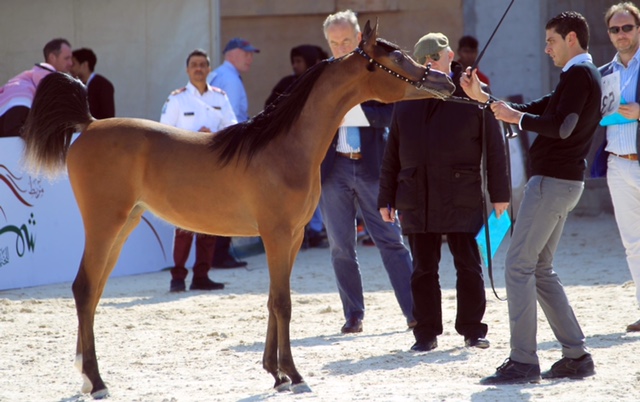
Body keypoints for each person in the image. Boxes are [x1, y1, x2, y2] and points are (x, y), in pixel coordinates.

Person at [460, 11, 601, 384]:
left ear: (571, 38)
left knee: (518, 266)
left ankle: (523, 362)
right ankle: (576, 355)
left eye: (551, 40)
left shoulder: (579, 74)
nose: (545, 48)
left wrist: (517, 119)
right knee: (539, 269)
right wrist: (487, 100)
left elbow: (560, 126)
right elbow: (533, 109)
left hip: (551, 183)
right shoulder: (580, 76)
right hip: (565, 184)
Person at [378, 32, 510, 352]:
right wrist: (386, 197)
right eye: (443, 55)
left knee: (468, 264)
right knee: (423, 268)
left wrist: (499, 193)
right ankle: (425, 333)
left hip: (459, 190)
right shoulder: (405, 96)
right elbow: (392, 151)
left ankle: (473, 330)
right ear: (428, 61)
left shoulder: (473, 92)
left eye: (448, 54)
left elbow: (495, 147)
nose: (450, 57)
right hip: (416, 193)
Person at [319, 9, 415, 334]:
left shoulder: (376, 70)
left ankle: (415, 312)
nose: (341, 47)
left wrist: (353, 113)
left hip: (374, 166)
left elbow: (392, 114)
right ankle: (353, 315)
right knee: (340, 247)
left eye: (346, 40)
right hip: (333, 170)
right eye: (334, 42)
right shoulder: (322, 77)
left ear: (359, 38)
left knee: (391, 240)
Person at [160, 49, 237, 292]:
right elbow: (163, 134)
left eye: (203, 64)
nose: (199, 69)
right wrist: (194, 138)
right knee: (184, 225)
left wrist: (213, 136)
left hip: (213, 169)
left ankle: (201, 275)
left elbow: (234, 130)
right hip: (185, 170)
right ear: (187, 69)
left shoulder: (220, 98)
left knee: (210, 224)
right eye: (194, 65)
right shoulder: (177, 99)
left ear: (209, 68)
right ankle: (178, 277)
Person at [591, 2, 640, 334]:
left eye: (627, 28)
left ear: (638, 29)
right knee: (633, 242)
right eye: (615, 29)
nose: (621, 34)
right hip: (617, 163)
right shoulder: (604, 72)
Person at [207, 37, 260, 268]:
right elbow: (231, 119)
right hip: (229, 147)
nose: (250, 57)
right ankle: (220, 253)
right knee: (225, 201)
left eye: (251, 53)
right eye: (245, 52)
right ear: (231, 54)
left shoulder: (219, 75)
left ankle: (217, 254)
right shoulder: (230, 80)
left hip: (219, 146)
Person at [0, 38, 72, 137]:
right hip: (17, 114)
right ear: (52, 57)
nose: (70, 63)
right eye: (66, 58)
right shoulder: (47, 76)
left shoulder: (34, 74)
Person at [70, 48, 115, 119]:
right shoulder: (74, 85)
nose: (70, 68)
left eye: (73, 64)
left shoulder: (103, 85)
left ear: (85, 65)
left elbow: (108, 117)